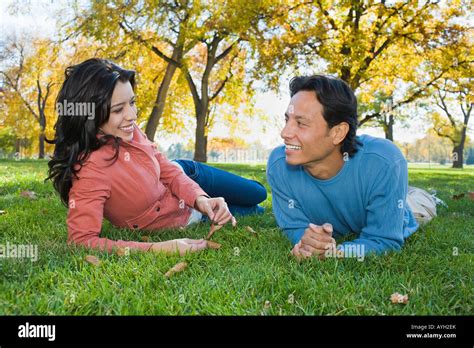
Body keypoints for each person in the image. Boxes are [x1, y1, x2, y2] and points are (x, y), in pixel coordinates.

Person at [46, 58, 266, 256]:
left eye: (132, 103)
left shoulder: (128, 130)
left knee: (258, 192)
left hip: (188, 175)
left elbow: (166, 168)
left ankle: (216, 194)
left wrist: (201, 198)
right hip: (184, 216)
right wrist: (160, 247)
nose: (132, 116)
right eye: (118, 109)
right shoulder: (90, 172)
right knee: (257, 211)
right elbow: (81, 241)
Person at [267, 75, 424, 259]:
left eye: (301, 123)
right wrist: (307, 244)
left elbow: (385, 240)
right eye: (287, 120)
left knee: (418, 202)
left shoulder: (384, 161)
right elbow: (294, 228)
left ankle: (427, 198)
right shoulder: (279, 164)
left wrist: (337, 252)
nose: (284, 133)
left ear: (338, 132)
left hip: (410, 208)